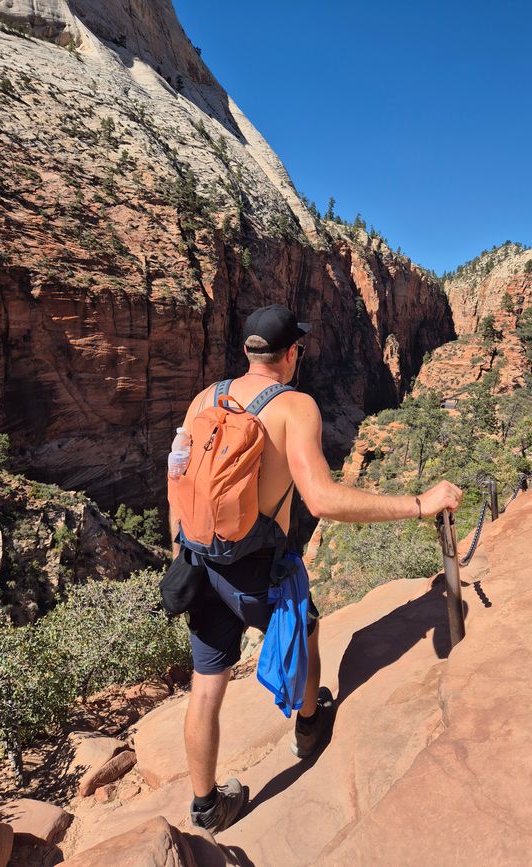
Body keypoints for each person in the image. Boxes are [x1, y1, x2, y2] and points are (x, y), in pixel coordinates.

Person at [168, 304, 463, 834]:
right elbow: (323, 500)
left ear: (247, 351)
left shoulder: (203, 399)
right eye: (299, 348)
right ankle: (309, 726)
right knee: (306, 628)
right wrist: (419, 503)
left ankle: (207, 804)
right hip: (261, 567)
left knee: (206, 685)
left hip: (200, 562)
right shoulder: (293, 406)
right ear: (292, 354)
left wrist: (182, 557)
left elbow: (179, 482)